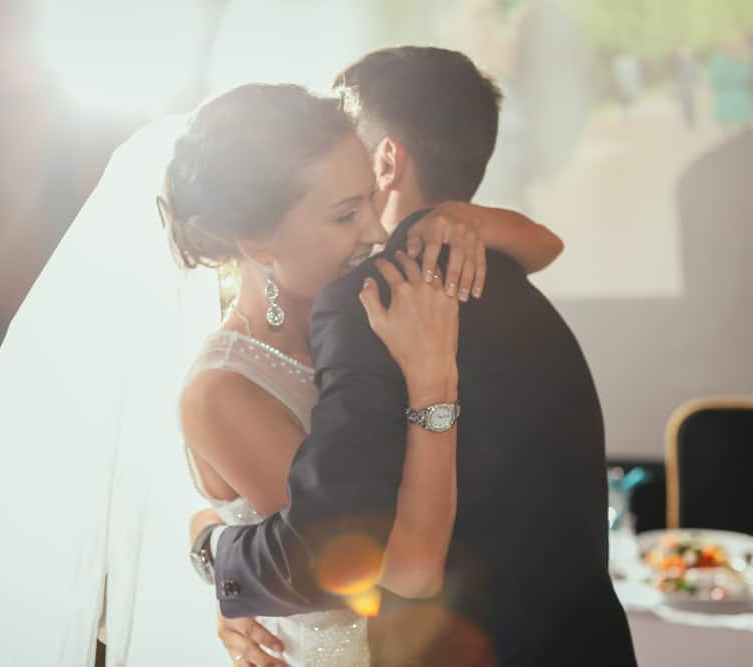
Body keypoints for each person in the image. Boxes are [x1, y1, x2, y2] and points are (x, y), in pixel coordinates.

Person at [194, 47, 637, 666]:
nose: (371, 231)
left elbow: (338, 545)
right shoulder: (519, 287)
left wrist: (212, 550)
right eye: (343, 210)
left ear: (385, 160)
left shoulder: (367, 301)